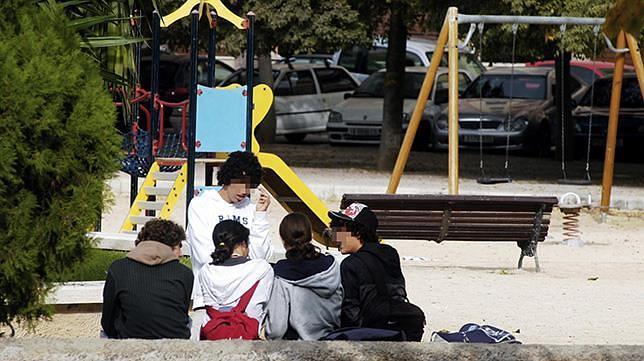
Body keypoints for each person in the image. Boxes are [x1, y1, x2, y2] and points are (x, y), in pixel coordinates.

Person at [329, 202, 425, 341]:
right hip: (399, 329)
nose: (335, 237)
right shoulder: (391, 253)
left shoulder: (350, 264)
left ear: (357, 231)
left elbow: (350, 314)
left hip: (369, 334)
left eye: (340, 231)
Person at [187, 151, 273, 293]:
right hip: (210, 293)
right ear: (228, 178)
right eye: (240, 183)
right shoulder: (201, 205)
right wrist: (243, 261)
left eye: (249, 185)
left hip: (245, 295)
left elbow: (261, 257)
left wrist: (261, 215)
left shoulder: (252, 210)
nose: (244, 190)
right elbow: (204, 255)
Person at [101, 219, 193, 339]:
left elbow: (108, 320)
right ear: (168, 246)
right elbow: (181, 314)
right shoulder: (184, 273)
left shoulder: (118, 268)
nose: (181, 254)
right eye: (178, 247)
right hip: (175, 344)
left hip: (130, 343)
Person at [265, 213, 343, 340]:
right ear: (311, 235)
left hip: (296, 347)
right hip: (331, 340)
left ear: (283, 239)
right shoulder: (332, 265)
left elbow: (276, 328)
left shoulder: (282, 273)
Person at [194, 220, 273, 339]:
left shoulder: (205, 270)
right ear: (243, 243)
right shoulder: (262, 269)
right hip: (247, 338)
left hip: (212, 337)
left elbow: (201, 307)